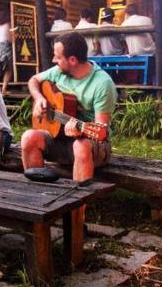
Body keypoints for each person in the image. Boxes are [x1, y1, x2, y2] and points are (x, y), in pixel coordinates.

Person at [21, 32, 116, 182]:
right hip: (60, 137)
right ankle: (37, 197)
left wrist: (80, 133)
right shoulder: (59, 72)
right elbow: (33, 80)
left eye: (57, 57)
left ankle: (77, 203)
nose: (53, 60)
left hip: (92, 144)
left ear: (72, 60)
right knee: (29, 137)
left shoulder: (103, 84)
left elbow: (100, 129)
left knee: (80, 146)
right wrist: (39, 98)